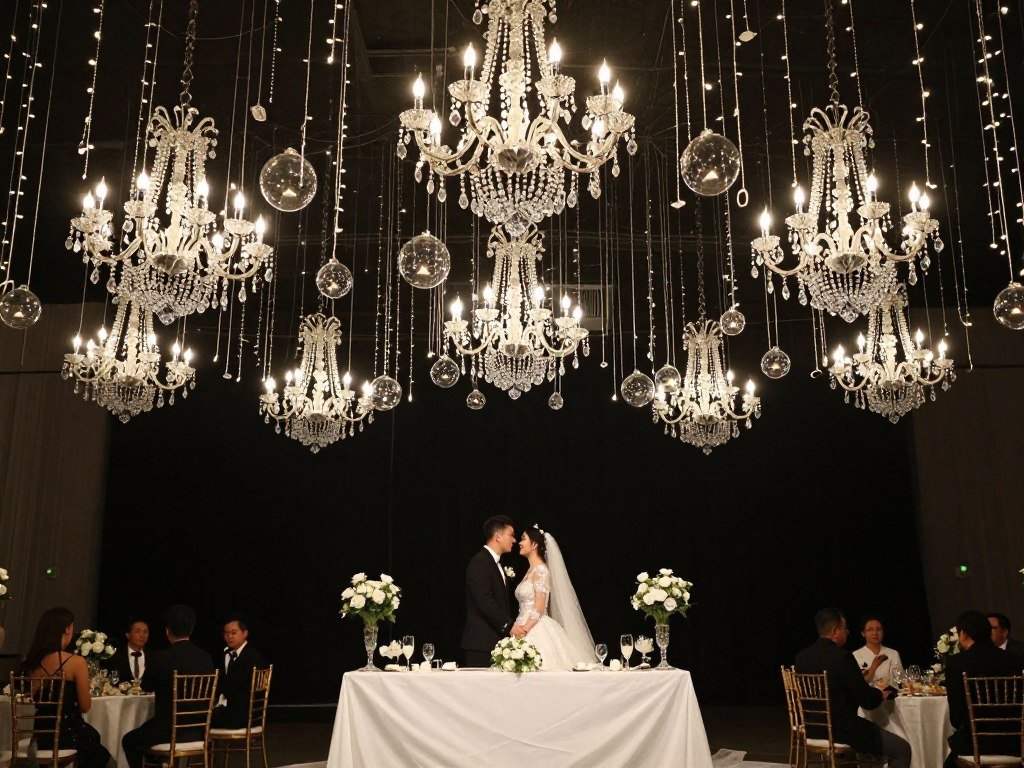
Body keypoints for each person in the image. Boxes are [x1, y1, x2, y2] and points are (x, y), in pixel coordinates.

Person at [795, 607, 912, 768]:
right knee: (902, 749)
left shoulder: (801, 657)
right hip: (842, 731)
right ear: (835, 631)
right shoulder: (842, 658)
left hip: (810, 729)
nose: (846, 633)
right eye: (845, 629)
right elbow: (867, 700)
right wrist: (880, 693)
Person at [121, 605, 216, 768]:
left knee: (129, 740)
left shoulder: (161, 658)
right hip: (200, 730)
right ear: (191, 629)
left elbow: (146, 687)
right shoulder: (206, 658)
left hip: (166, 732)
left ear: (168, 631)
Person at [20, 607, 111, 768]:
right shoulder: (76, 663)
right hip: (68, 732)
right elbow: (85, 707)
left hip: (40, 735)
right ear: (67, 629)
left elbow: (29, 698)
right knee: (100, 752)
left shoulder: (33, 663)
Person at [944, 610, 1022, 767]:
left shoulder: (956, 663)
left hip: (975, 745)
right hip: (1015, 744)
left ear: (963, 634)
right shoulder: (1014, 660)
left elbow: (956, 718)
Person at [511, 526, 595, 670]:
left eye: (524, 538)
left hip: (533, 626)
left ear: (535, 544)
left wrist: (524, 630)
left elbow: (539, 608)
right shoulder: (531, 570)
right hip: (521, 624)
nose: (519, 542)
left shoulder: (541, 570)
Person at [461, 515, 516, 668]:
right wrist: (508, 625)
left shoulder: (495, 563)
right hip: (481, 644)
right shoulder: (480, 562)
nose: (514, 540)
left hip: (494, 642)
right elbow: (484, 600)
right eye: (511, 535)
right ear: (498, 536)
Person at [211, 614, 267, 729]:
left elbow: (233, 685)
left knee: (199, 718)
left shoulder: (252, 657)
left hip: (241, 713)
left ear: (245, 633)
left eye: (234, 633)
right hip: (230, 709)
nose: (229, 636)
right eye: (226, 633)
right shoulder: (225, 655)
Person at [852, 615, 904, 684]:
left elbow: (901, 681)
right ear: (863, 633)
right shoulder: (856, 655)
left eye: (878, 629)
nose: (875, 633)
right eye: (870, 630)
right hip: (868, 694)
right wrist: (874, 666)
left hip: (892, 693)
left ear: (883, 632)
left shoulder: (893, 653)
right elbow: (858, 683)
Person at [103, 617, 150, 682]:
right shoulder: (115, 656)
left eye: (146, 632)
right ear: (128, 635)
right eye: (137, 631)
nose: (142, 635)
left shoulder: (154, 657)